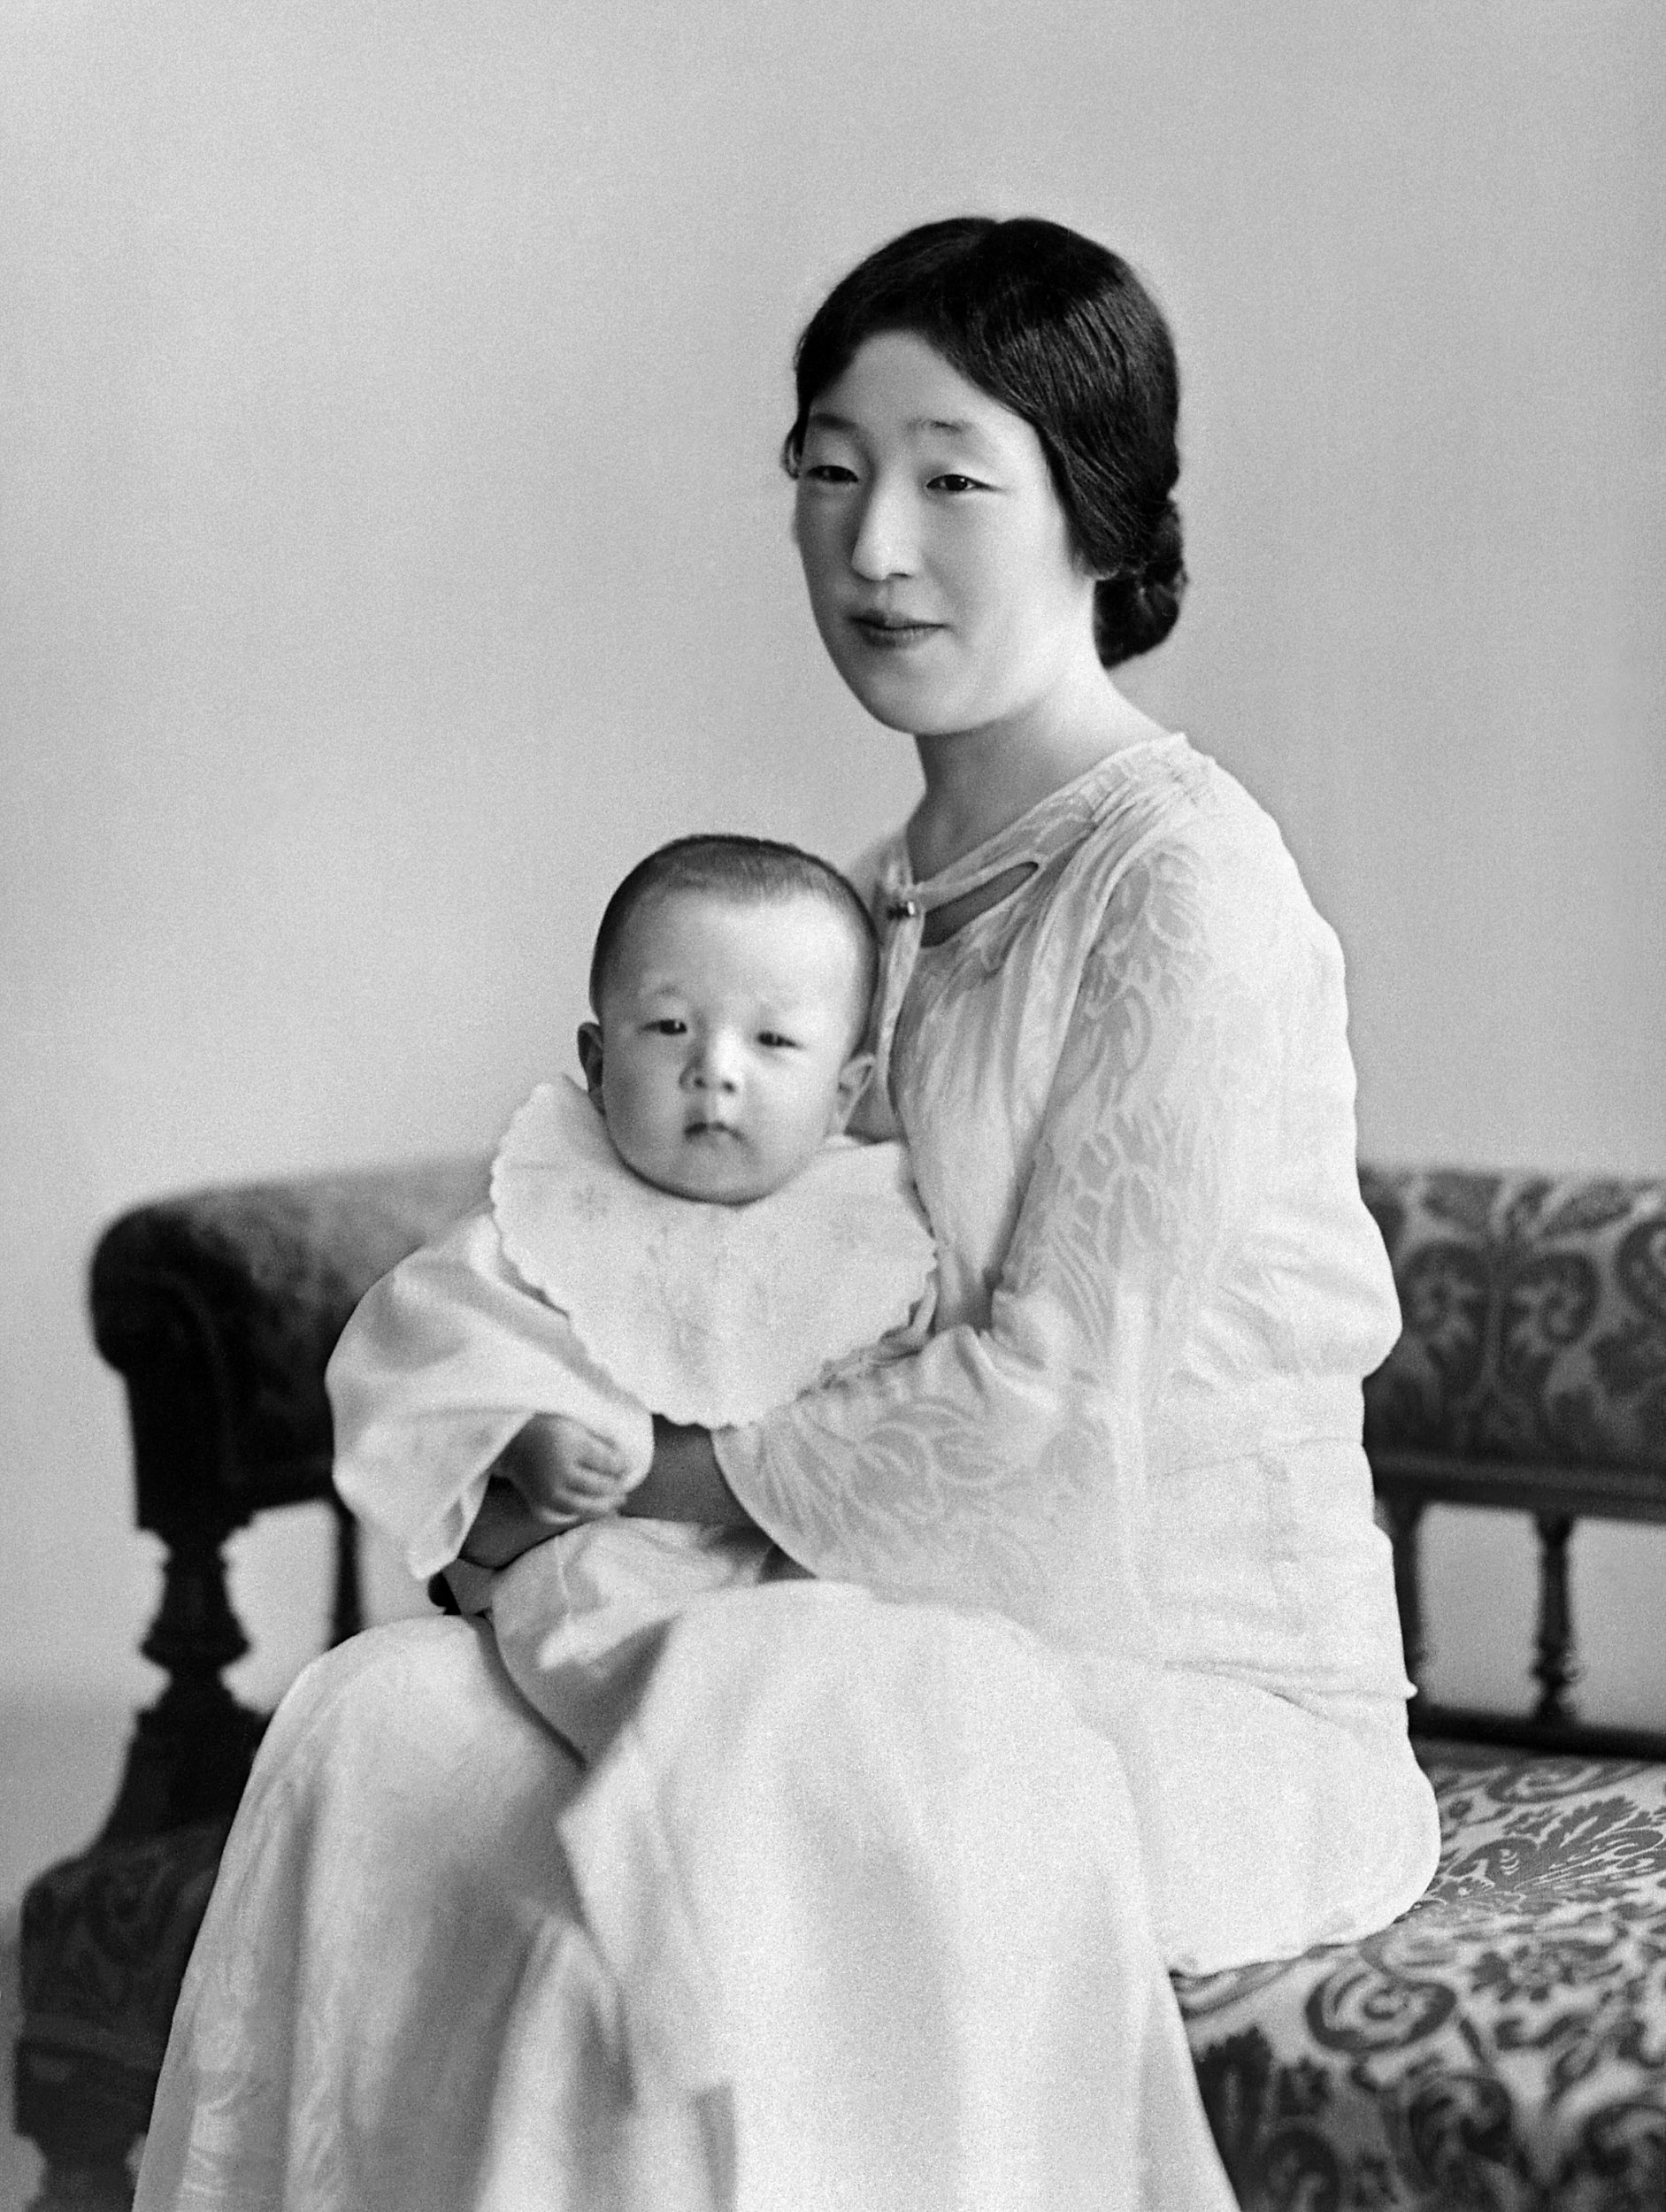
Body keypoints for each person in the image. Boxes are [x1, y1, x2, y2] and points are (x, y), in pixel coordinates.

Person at [134, 216, 1440, 2212]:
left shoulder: (1185, 887)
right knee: (380, 1730)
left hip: (1180, 1688)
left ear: (1090, 511)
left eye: (946, 478)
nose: (873, 546)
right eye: (828, 471)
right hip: (860, 1622)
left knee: (628, 1928)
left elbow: (1046, 1404)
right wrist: (526, 1456)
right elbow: (719, 1274)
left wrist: (656, 1483)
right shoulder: (855, 904)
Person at [327, 834, 935, 1761]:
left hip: (799, 1577)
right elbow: (421, 1354)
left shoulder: (865, 1228)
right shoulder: (546, 1216)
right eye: (668, 1028)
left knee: (858, 1697)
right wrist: (523, 1437)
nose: (715, 1069)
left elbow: (913, 1405)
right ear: (599, 1060)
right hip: (597, 1569)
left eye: (772, 1041)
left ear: (843, 1090)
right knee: (677, 1703)